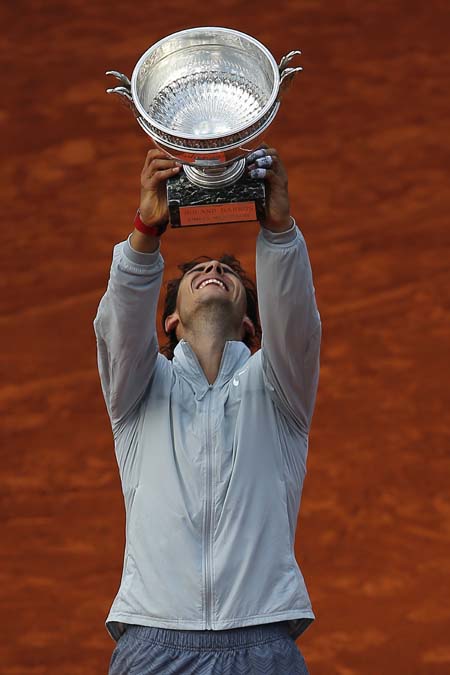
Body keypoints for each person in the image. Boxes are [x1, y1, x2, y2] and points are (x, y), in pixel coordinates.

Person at [94, 145, 322, 674]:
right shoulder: (136, 391)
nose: (215, 267)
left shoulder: (280, 388)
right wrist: (145, 233)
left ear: (249, 324)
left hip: (263, 641)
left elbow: (296, 319)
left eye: (228, 273)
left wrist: (280, 229)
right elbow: (119, 326)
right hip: (153, 641)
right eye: (199, 271)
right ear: (170, 322)